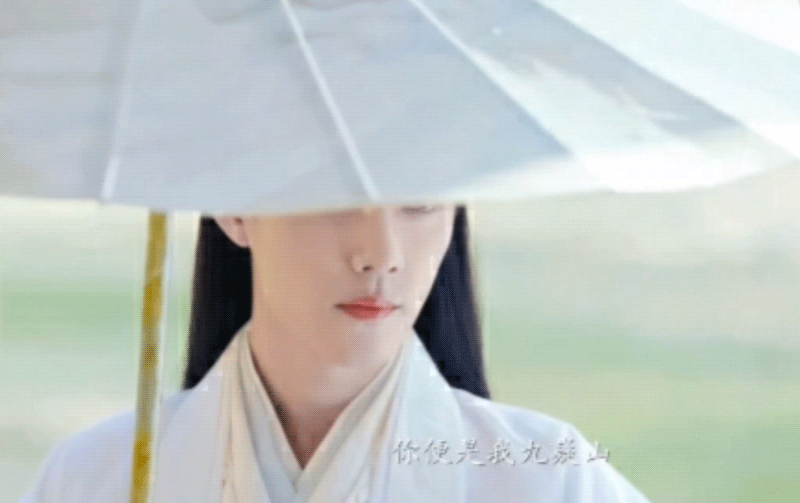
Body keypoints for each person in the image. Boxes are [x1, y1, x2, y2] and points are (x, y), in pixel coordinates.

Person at [19, 203, 651, 502]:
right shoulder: (92, 480)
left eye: (419, 202)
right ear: (235, 208)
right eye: (338, 197)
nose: (382, 253)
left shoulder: (553, 482)